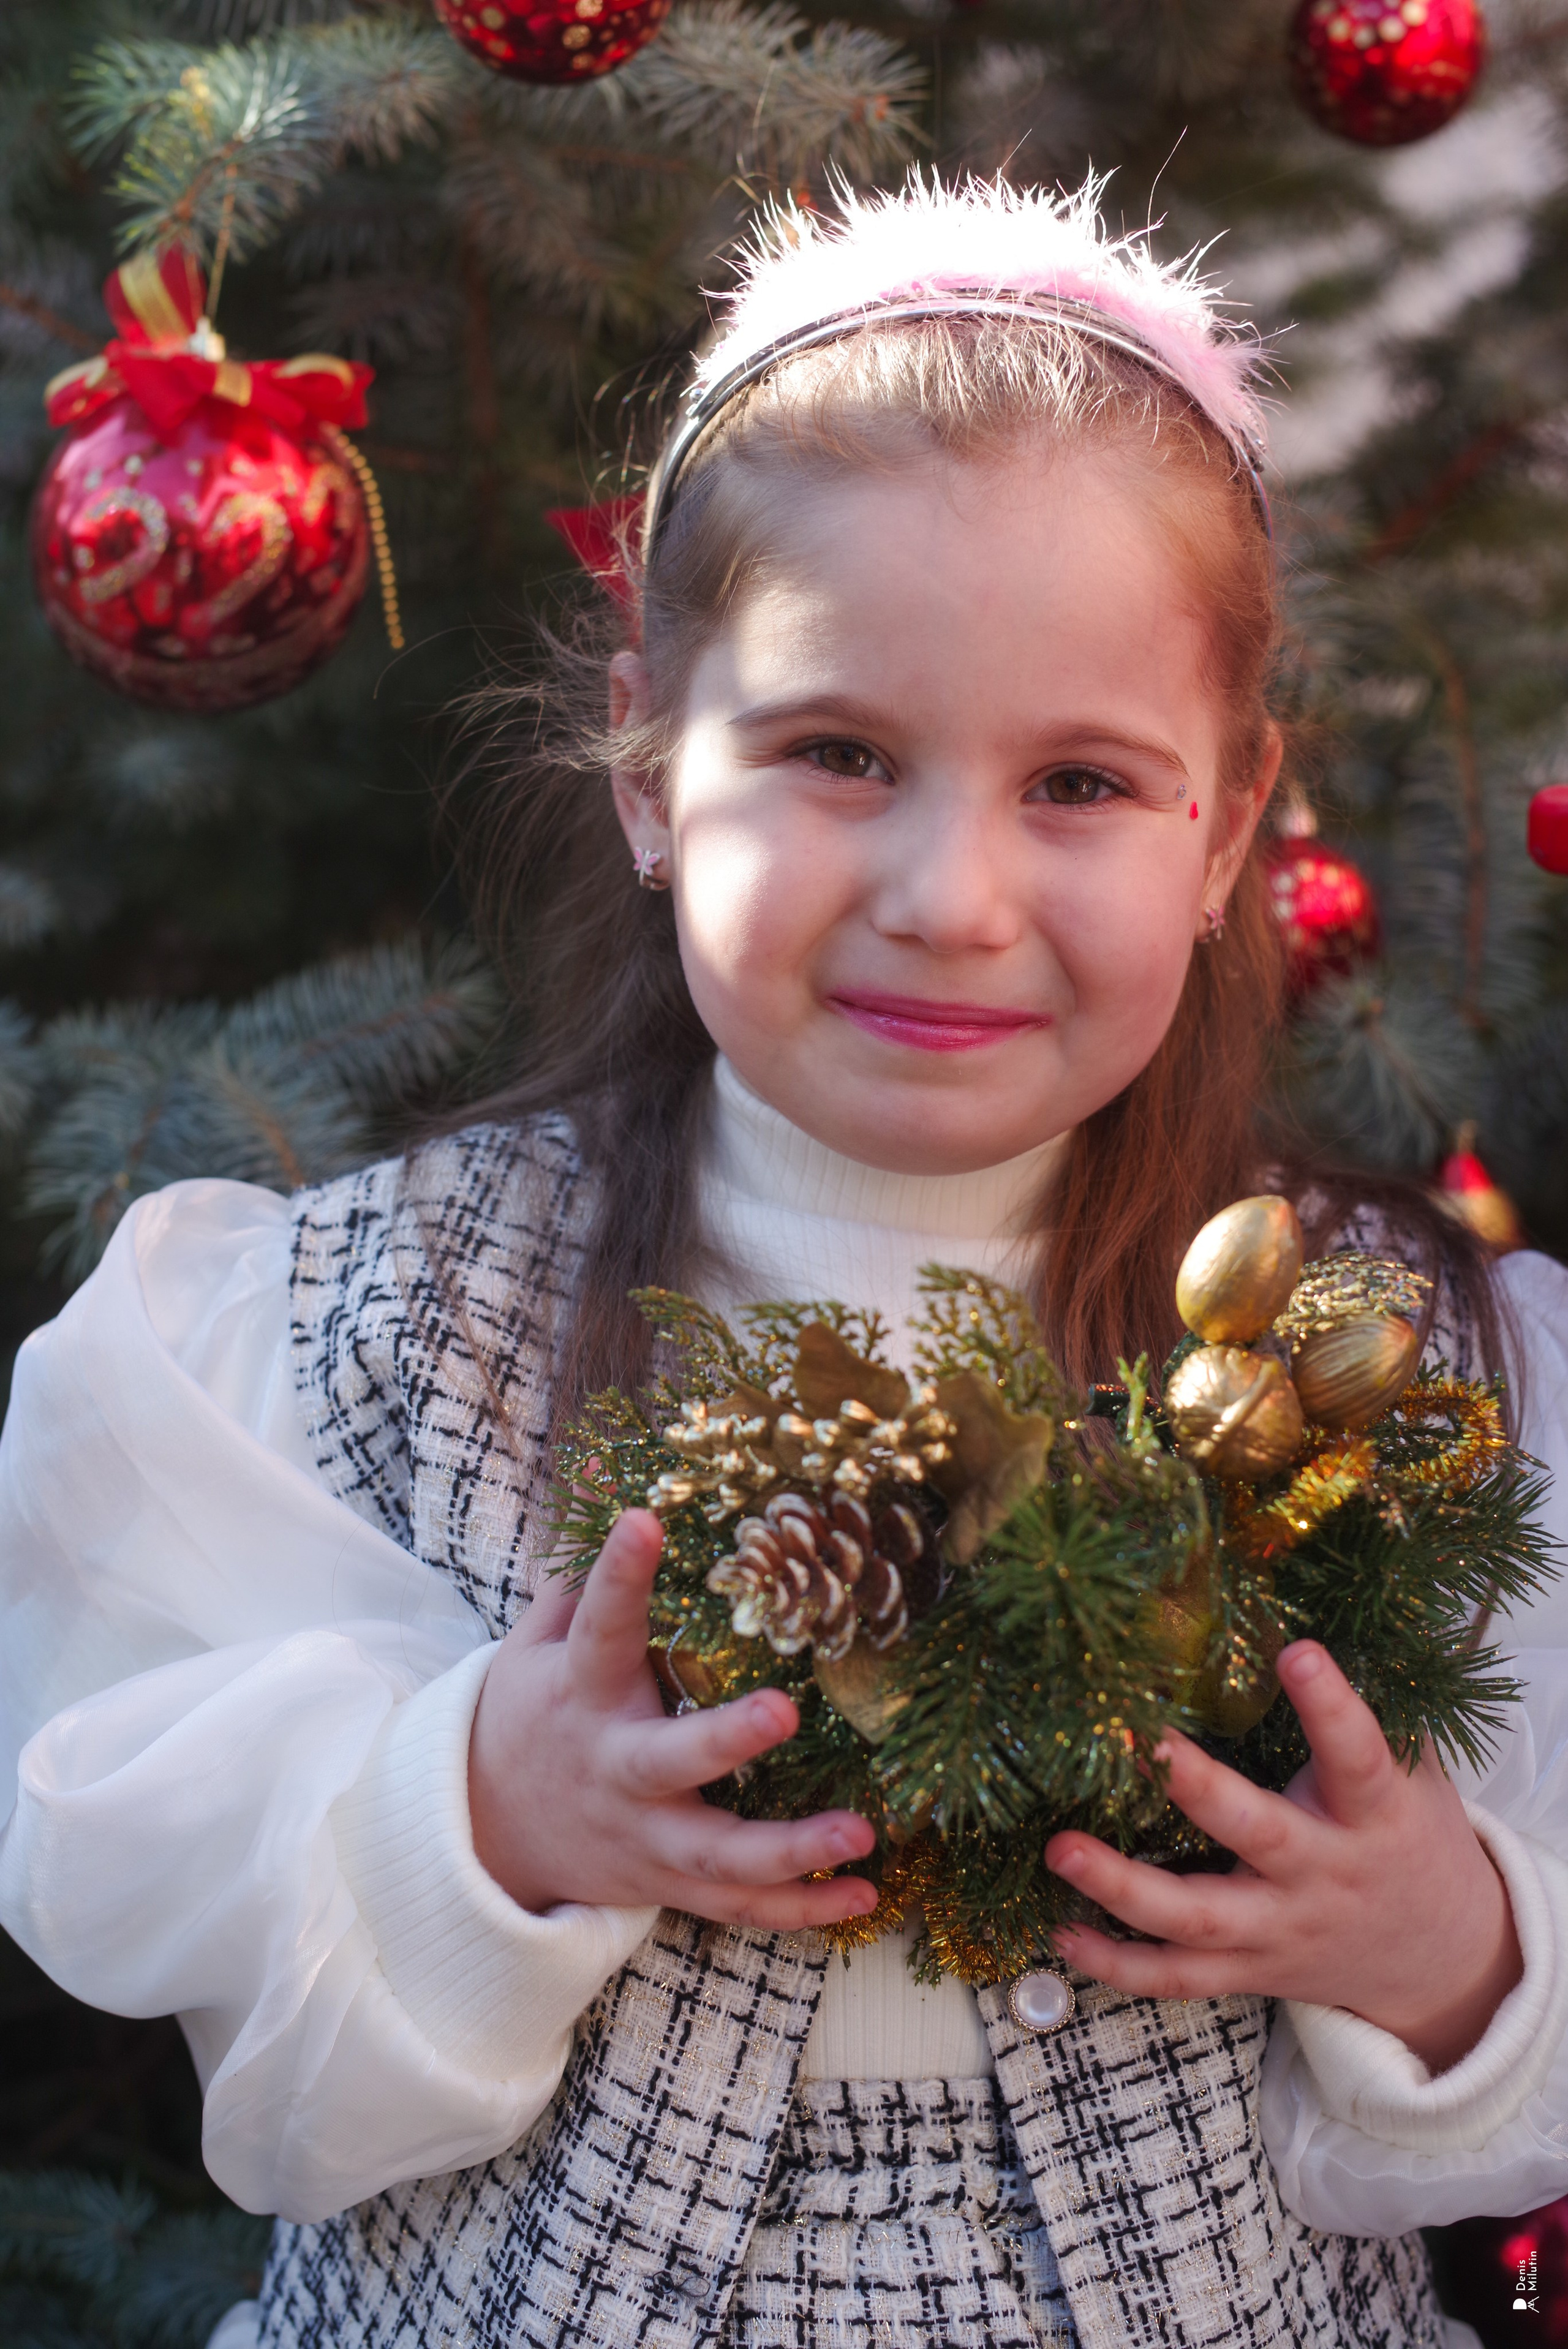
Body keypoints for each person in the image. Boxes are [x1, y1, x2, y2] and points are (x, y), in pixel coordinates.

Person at [2, 176, 1567, 2349]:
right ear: (654, 761)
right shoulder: (354, 1329)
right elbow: (203, 1939)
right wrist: (485, 1813)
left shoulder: (1396, 1371)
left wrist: (1441, 1947)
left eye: (1083, 783)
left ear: (1225, 829)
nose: (950, 892)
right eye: (840, 752)